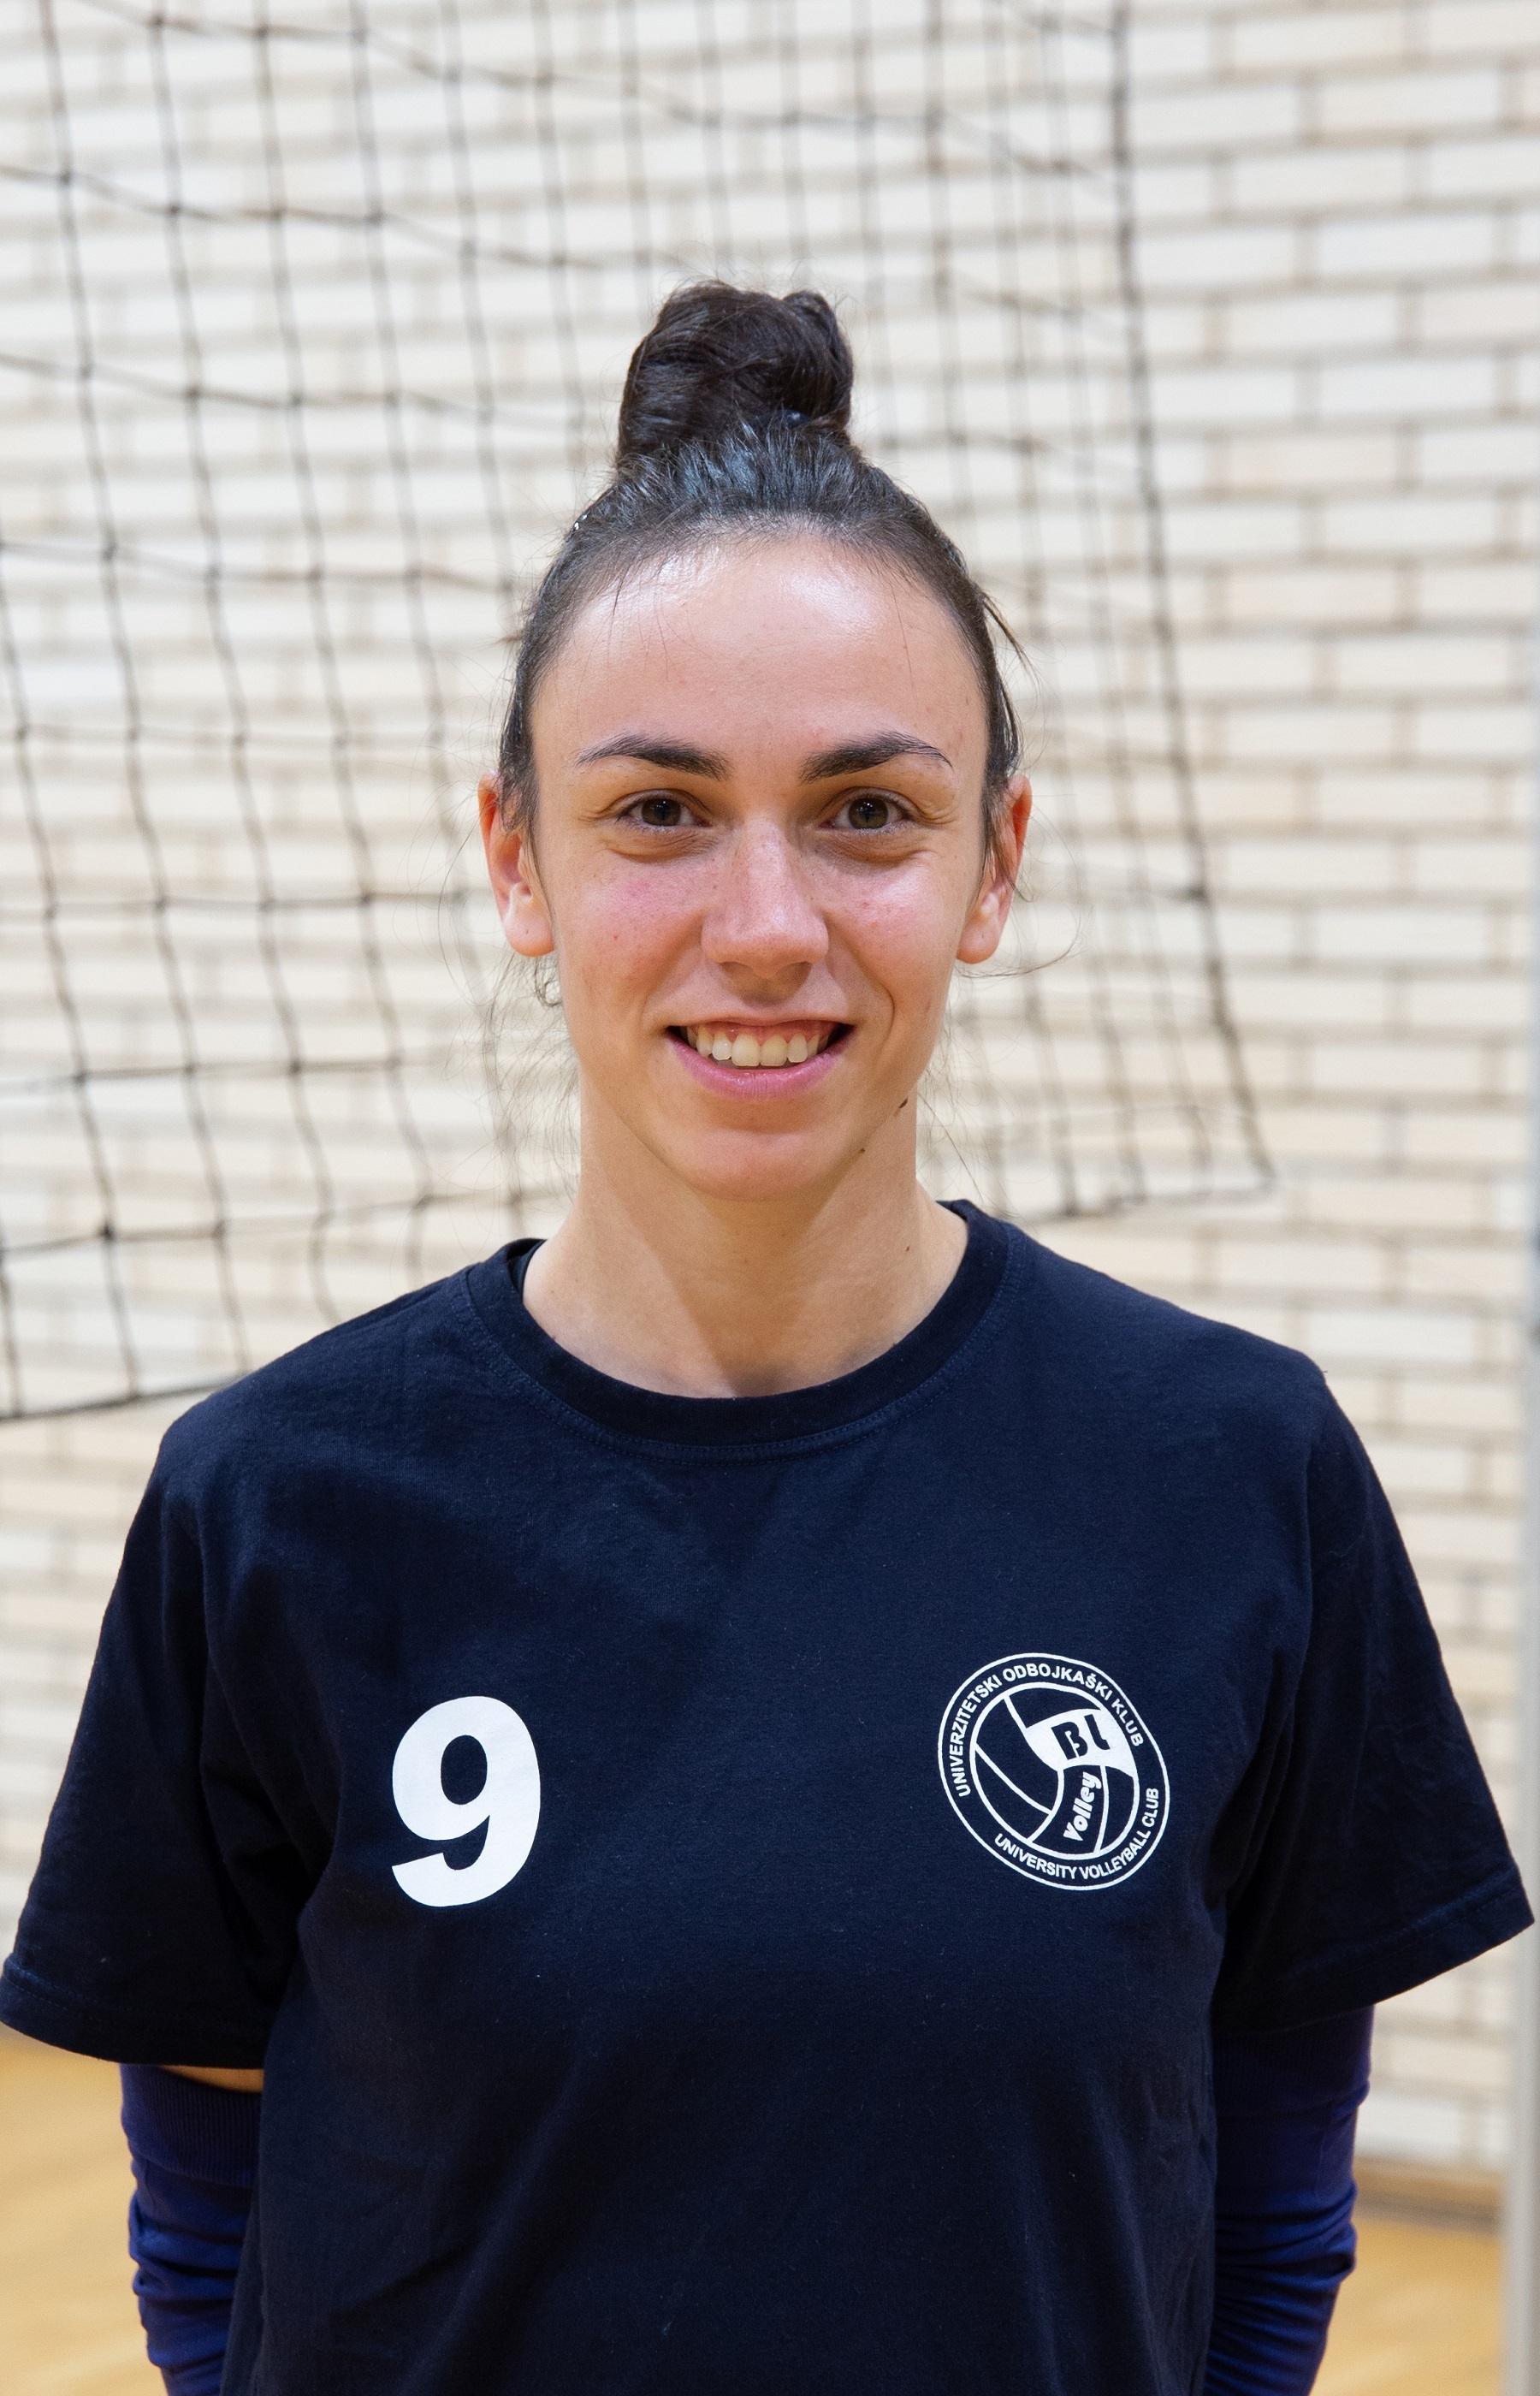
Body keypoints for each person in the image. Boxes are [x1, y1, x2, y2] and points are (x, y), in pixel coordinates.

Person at [0, 283, 1528, 2396]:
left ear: (992, 861)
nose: (767, 926)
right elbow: (206, 2228)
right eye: (657, 810)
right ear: (516, 855)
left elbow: (1268, 2208)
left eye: (866, 811)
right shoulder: (275, 1499)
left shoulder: (1233, 1467)